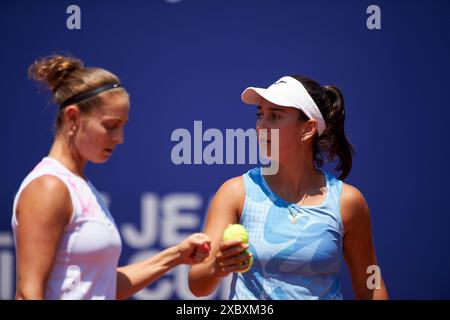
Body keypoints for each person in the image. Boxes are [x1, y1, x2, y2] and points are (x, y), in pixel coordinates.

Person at [12, 55, 211, 300]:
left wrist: (177, 256)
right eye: (111, 125)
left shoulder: (82, 187)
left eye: (123, 125)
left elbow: (104, 285)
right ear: (73, 118)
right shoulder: (49, 187)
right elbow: (27, 292)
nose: (120, 138)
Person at [188, 75, 389, 300]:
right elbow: (197, 284)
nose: (261, 125)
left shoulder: (348, 202)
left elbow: (371, 283)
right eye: (260, 114)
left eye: (275, 116)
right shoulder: (235, 192)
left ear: (308, 129)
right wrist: (218, 266)